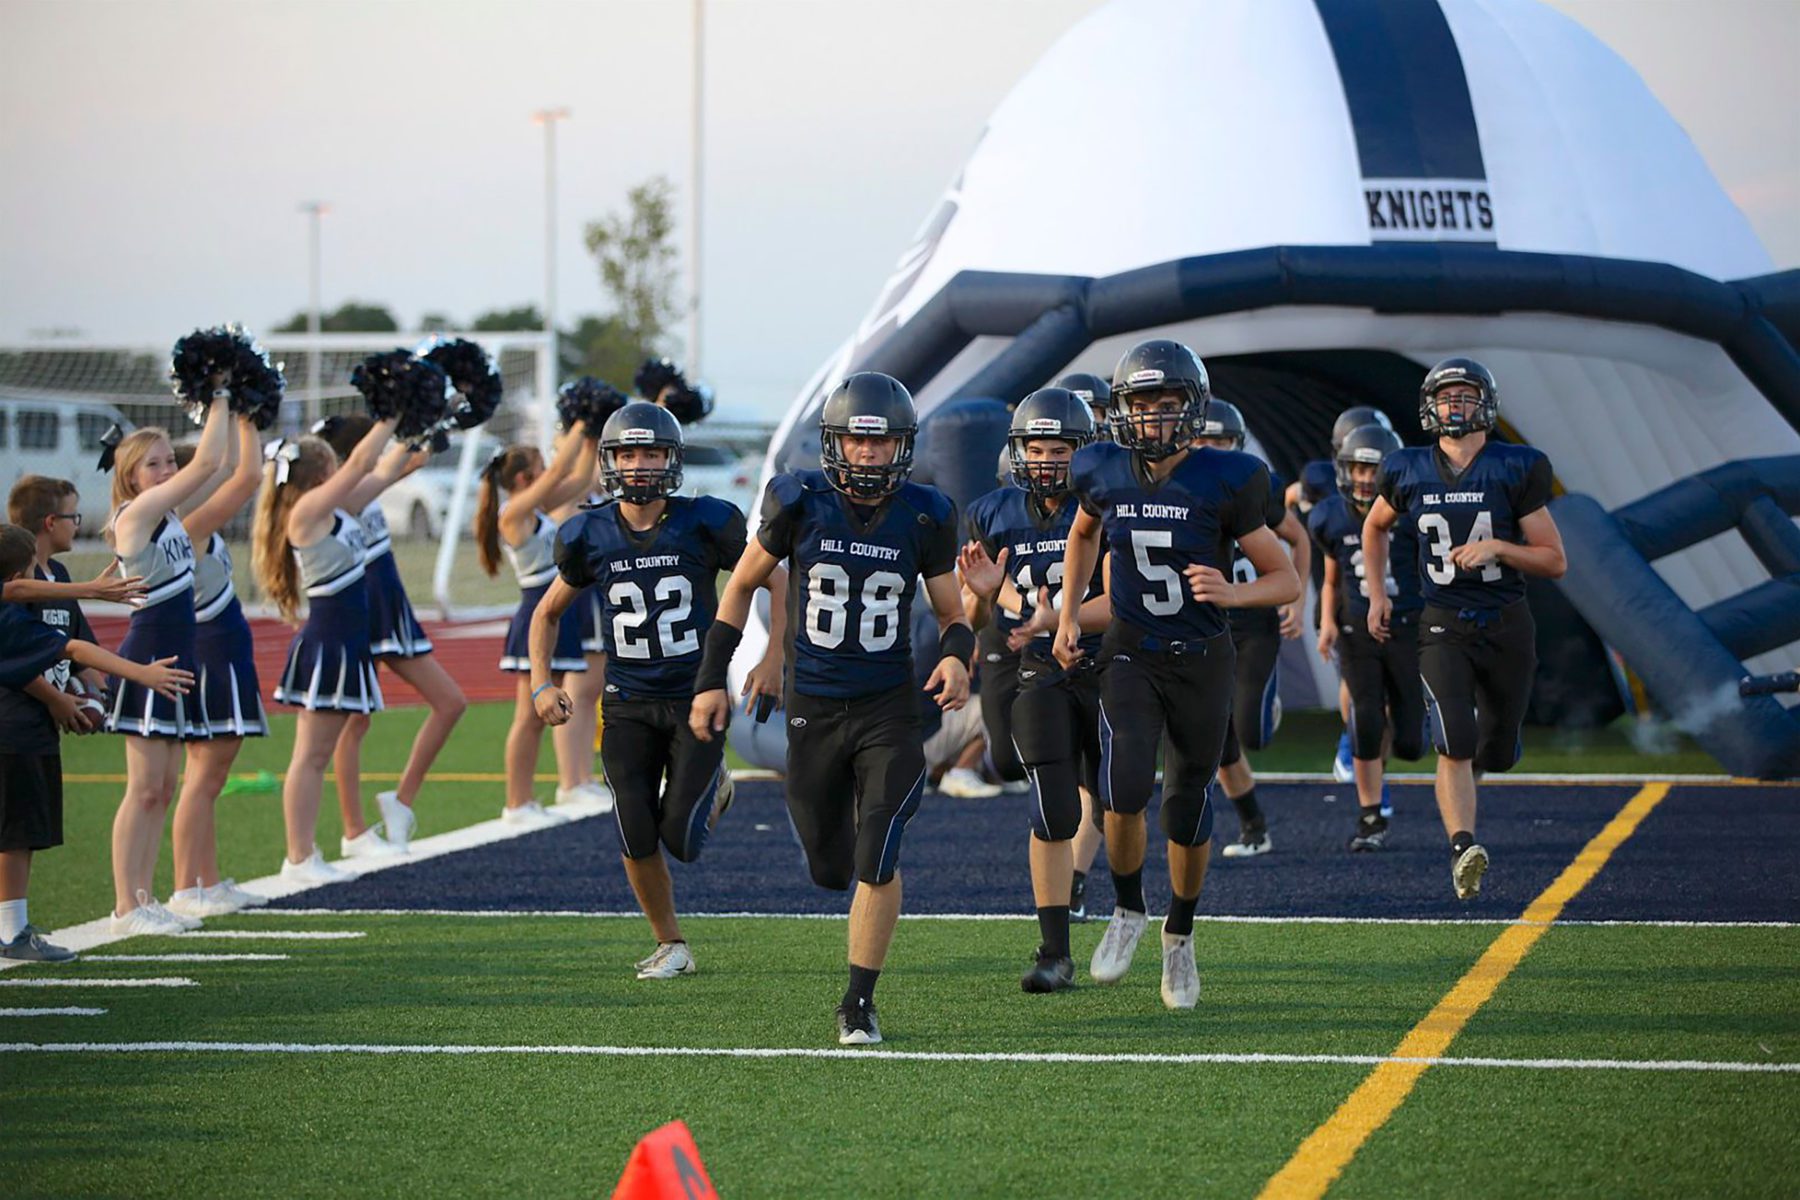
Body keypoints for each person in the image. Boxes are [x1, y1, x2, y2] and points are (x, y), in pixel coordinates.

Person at [690, 372, 972, 1046]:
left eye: (882, 442)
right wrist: (711, 678)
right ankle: (842, 891)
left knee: (880, 849)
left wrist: (958, 655)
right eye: (857, 440)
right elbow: (741, 589)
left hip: (888, 706)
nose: (869, 454)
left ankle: (858, 1000)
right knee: (830, 868)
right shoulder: (798, 502)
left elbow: (951, 611)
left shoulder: (927, 511)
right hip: (814, 706)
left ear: (903, 447)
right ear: (834, 443)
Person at [1057, 339, 1298, 1010]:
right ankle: (1129, 908)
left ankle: (1180, 934)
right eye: (1144, 404)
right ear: (1122, 410)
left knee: (1185, 809)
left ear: (1193, 409)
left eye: (1170, 405)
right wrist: (1071, 614)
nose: (1158, 418)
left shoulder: (1229, 477)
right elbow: (1082, 535)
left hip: (1201, 658)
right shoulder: (1101, 468)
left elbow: (1285, 578)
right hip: (1132, 650)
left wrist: (1231, 592)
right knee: (1124, 786)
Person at [533, 402, 785, 979]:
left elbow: (776, 577)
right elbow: (547, 613)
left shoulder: (705, 521)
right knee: (633, 828)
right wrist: (539, 683)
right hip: (624, 701)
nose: (640, 465)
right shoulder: (587, 532)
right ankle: (671, 943)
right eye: (628, 453)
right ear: (609, 461)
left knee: (683, 840)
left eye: (651, 453)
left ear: (671, 459)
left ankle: (715, 783)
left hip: (696, 697)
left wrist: (775, 654)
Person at [1361, 358, 1566, 899]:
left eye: (1465, 394)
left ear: (1485, 404)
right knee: (1453, 742)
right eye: (1446, 395)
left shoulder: (1515, 467)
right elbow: (1374, 526)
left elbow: (1554, 560)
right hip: (1442, 623)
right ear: (1431, 405)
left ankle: (1497, 751)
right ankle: (1462, 846)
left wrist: (1499, 546)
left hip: (1504, 622)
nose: (1455, 404)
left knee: (1495, 752)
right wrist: (1379, 593)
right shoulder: (1406, 468)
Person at [959, 386, 1106, 992]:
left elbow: (1122, 602)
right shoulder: (993, 511)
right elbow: (972, 612)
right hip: (1037, 668)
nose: (1046, 460)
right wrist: (991, 595)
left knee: (1117, 798)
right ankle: (1055, 951)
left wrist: (1058, 617)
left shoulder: (1107, 504)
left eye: (1060, 448)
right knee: (1051, 805)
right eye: (1036, 447)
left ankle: (1133, 910)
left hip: (1107, 666)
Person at [0, 522, 193, 958]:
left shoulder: (14, 602)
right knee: (16, 836)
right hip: (14, 736)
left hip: (25, 733)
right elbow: (74, 650)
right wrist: (141, 673)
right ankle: (12, 933)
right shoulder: (11, 617)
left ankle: (12, 925)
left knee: (16, 835)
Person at [255, 421, 417, 882]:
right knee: (310, 755)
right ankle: (299, 857)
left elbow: (383, 472)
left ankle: (305, 854)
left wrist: (420, 424)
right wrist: (388, 418)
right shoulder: (306, 511)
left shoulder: (335, 509)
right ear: (324, 469)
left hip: (346, 641)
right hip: (328, 642)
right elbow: (366, 462)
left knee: (317, 753)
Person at [101, 401, 232, 933]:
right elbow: (207, 464)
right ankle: (126, 907)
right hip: (148, 655)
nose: (167, 471)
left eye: (168, 462)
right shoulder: (135, 516)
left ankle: (144, 898)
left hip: (176, 659)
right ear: (130, 476)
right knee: (144, 787)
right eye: (153, 464)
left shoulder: (167, 516)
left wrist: (235, 406)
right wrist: (218, 394)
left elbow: (218, 468)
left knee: (164, 787)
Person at [314, 415, 469, 853]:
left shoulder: (369, 484)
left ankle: (400, 803)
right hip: (359, 609)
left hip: (391, 607)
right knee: (353, 719)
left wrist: (443, 415)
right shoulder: (334, 498)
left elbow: (412, 459)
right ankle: (354, 831)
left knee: (450, 701)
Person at [1191, 399, 1310, 858]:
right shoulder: (1177, 486)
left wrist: (1295, 604)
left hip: (1253, 619)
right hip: (1206, 624)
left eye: (1219, 440)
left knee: (1252, 732)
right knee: (1217, 741)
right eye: (1202, 438)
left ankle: (1261, 703)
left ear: (1236, 444)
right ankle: (1254, 827)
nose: (1209, 447)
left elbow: (1297, 539)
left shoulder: (1252, 484)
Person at [166, 414, 274, 917]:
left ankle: (206, 880)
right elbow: (248, 476)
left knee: (209, 776)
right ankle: (187, 886)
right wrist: (247, 416)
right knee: (205, 776)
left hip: (223, 651)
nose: (221, 486)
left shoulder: (188, 528)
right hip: (210, 653)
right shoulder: (188, 527)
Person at [476, 422, 599, 828]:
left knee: (543, 713)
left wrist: (592, 437)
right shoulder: (514, 514)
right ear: (526, 478)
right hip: (535, 615)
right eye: (542, 465)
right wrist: (577, 422)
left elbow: (579, 477)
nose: (550, 470)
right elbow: (560, 473)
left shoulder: (535, 511)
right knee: (528, 717)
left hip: (558, 614)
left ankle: (528, 798)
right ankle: (516, 802)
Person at [1311, 422, 1426, 851]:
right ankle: (1370, 816)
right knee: (1365, 717)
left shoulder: (1410, 512)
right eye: (1356, 468)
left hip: (1408, 626)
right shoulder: (1329, 515)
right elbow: (1331, 579)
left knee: (1412, 741)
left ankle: (1390, 757)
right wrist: (1326, 623)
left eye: (1372, 470)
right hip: (1356, 628)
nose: (1362, 478)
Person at [1286, 405, 1397, 788]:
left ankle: (1367, 747)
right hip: (1338, 582)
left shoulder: (1394, 486)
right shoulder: (1320, 480)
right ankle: (1353, 738)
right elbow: (1286, 498)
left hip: (1384, 588)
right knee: (1356, 678)